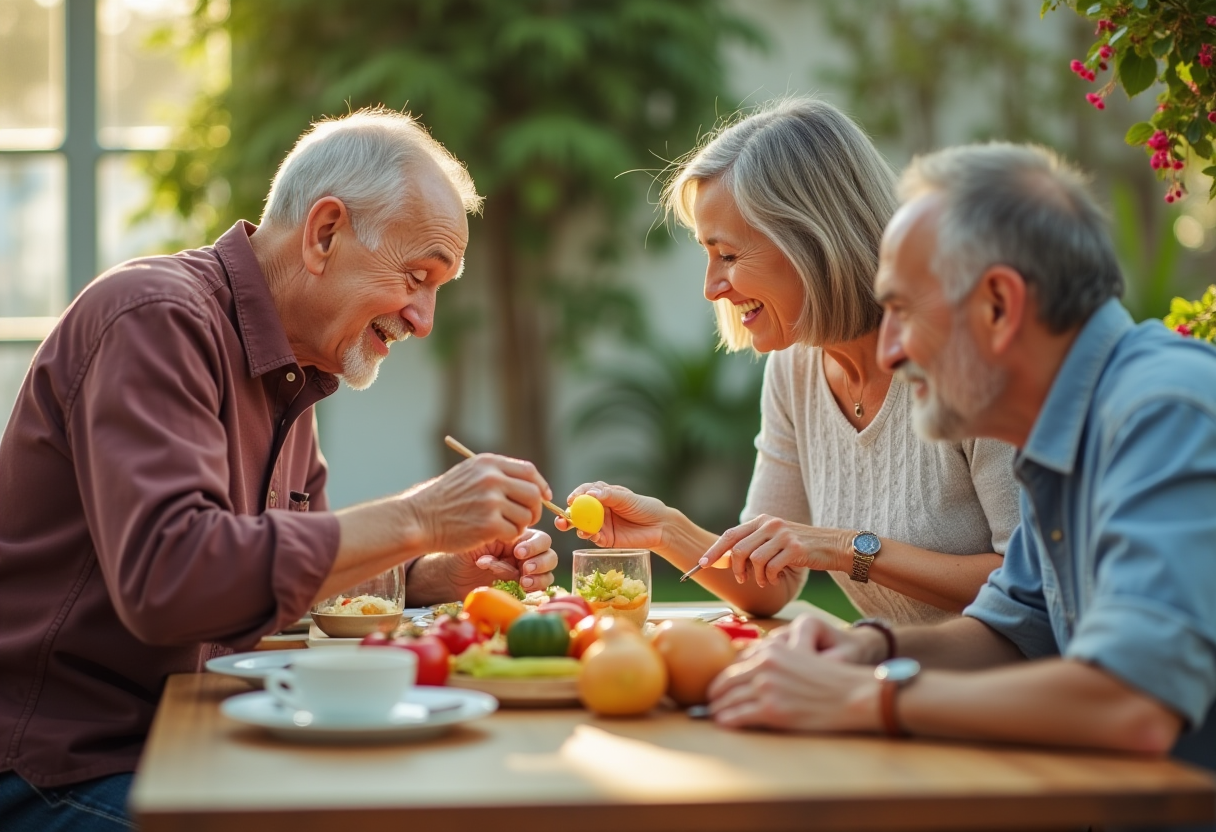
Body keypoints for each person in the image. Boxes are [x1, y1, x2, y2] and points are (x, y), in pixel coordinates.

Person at [0, 108, 558, 830]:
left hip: (189, 740)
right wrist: (418, 517)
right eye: (418, 277)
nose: (423, 319)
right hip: (60, 767)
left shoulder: (295, 375)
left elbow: (280, 582)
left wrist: (433, 573)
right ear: (325, 234)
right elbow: (173, 579)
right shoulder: (154, 318)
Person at [707, 142, 1216, 782]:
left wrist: (869, 698)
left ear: (998, 305)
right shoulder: (1062, 438)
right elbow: (1010, 629)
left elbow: (1133, 703)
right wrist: (865, 648)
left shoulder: (1164, 411)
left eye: (900, 310)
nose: (887, 352)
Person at [557, 97, 1019, 620]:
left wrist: (847, 549)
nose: (711, 289)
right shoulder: (796, 369)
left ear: (813, 241)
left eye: (727, 255)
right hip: (890, 673)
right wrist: (667, 531)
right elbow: (768, 585)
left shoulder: (973, 361)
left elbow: (1031, 584)